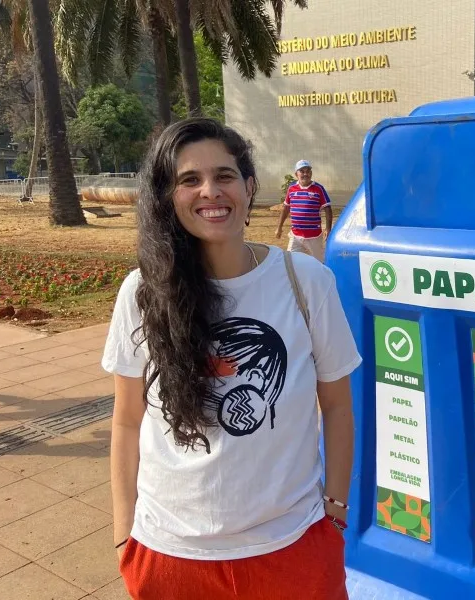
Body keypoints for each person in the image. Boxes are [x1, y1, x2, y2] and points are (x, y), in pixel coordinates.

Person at [103, 118, 361, 600]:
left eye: (223, 175)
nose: (209, 191)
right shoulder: (142, 292)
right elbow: (126, 420)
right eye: (189, 180)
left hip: (293, 547)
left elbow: (338, 406)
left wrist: (336, 508)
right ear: (168, 196)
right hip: (170, 554)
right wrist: (125, 533)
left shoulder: (306, 282)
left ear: (248, 186)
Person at [276, 159, 333, 264]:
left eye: (308, 171)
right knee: (290, 263)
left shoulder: (318, 188)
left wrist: (328, 228)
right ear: (296, 174)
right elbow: (286, 208)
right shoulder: (292, 188)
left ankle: (322, 279)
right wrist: (279, 228)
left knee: (320, 264)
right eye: (302, 171)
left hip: (314, 237)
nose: (305, 174)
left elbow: (327, 208)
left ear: (311, 173)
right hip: (296, 236)